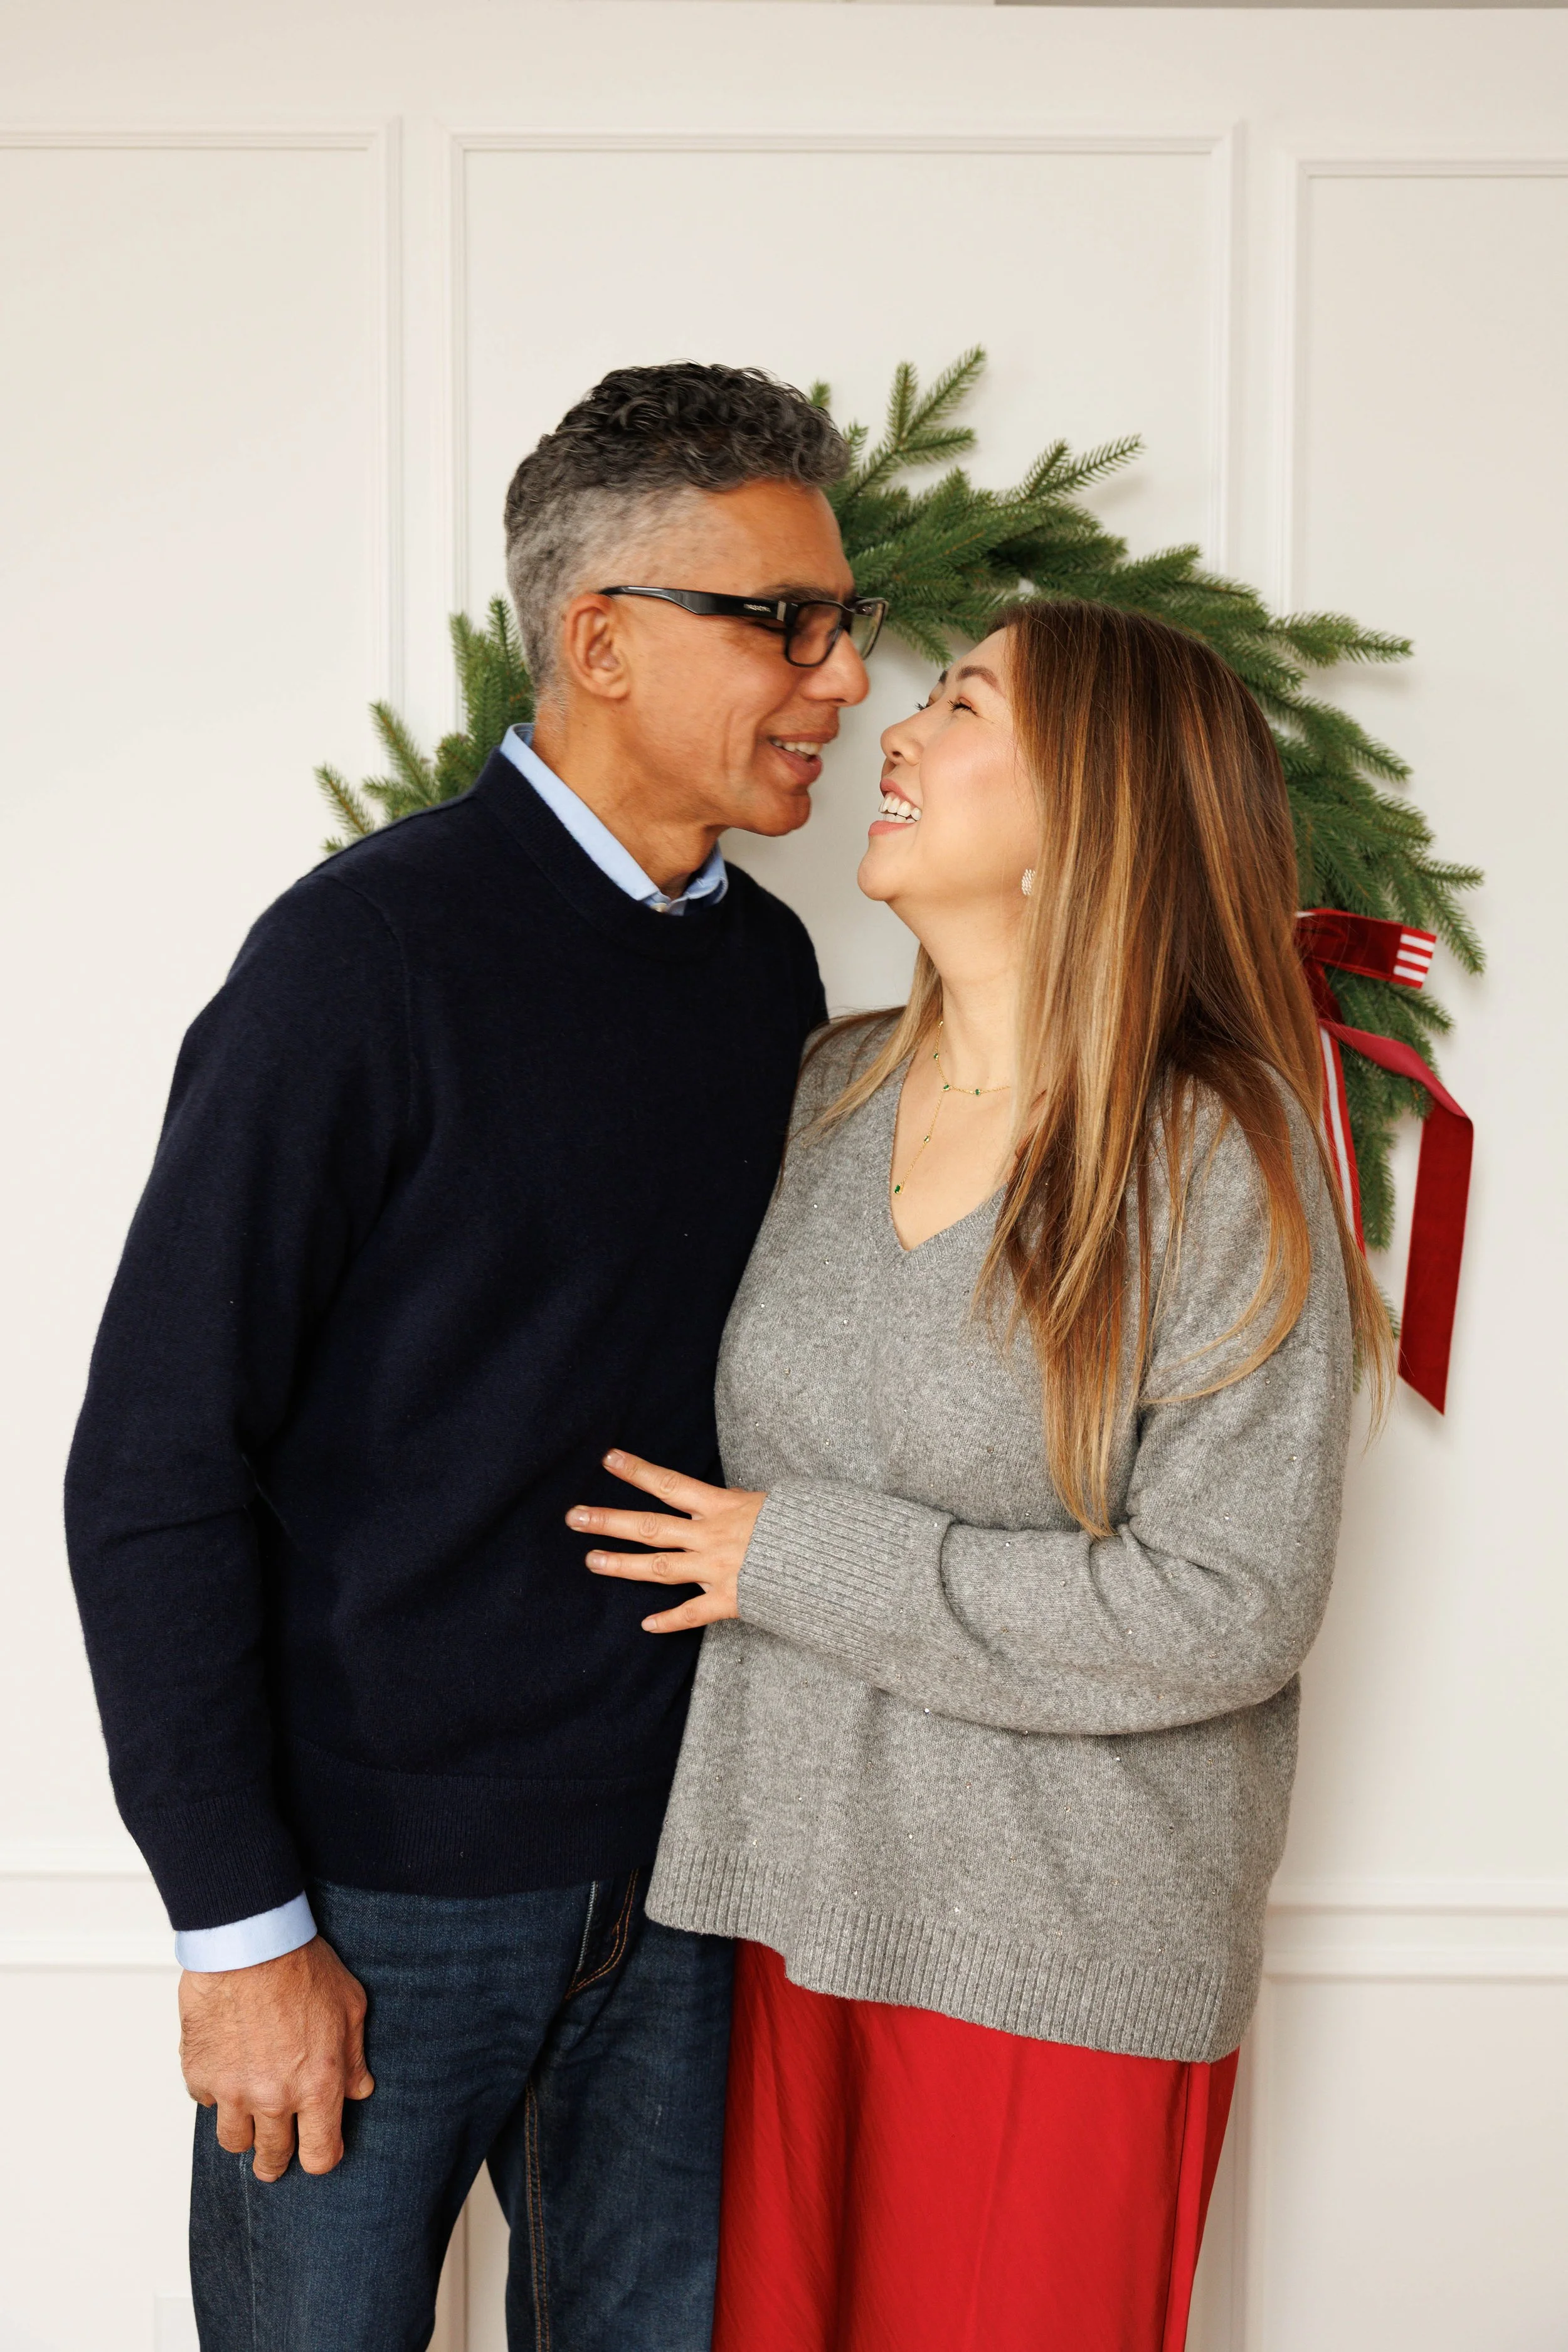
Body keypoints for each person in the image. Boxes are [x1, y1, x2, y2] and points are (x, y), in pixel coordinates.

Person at [65, 361, 886, 2352]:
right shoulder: (364, 958)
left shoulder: (764, 975)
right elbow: (155, 1456)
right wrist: (244, 1927)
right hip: (373, 1903)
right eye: (783, 620)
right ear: (597, 636)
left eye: (842, 623)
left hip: (688, 1889)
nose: (839, 678)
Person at [567, 599, 1393, 2352]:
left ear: (1096, 800)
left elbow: (1222, 1608)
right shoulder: (813, 1093)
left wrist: (800, 1561)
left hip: (1057, 1964)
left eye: (959, 705)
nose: (896, 731)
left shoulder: (1222, 1153)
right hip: (768, 1933)